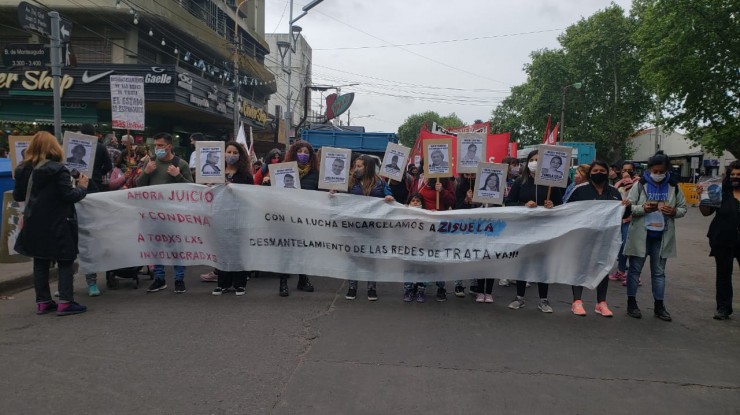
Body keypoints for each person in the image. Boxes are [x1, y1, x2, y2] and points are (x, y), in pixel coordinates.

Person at [13, 132, 89, 316]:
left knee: (40, 260)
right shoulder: (58, 169)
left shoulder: (22, 169)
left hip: (33, 222)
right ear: (54, 147)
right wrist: (82, 188)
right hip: (59, 222)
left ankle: (43, 302)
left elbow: (18, 196)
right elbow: (68, 196)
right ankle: (65, 302)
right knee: (65, 259)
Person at [623, 150, 687, 321]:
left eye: (661, 171)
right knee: (634, 271)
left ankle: (659, 306)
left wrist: (673, 211)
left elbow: (683, 208)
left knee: (659, 273)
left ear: (667, 170)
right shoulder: (640, 185)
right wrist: (643, 209)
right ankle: (631, 303)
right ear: (649, 169)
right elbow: (628, 206)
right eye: (655, 171)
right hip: (641, 235)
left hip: (662, 236)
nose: (658, 174)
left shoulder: (674, 186)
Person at [566, 160, 631, 317]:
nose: (598, 173)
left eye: (602, 170)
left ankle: (601, 303)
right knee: (580, 267)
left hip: (606, 238)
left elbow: (625, 215)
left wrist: (626, 206)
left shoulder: (615, 193)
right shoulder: (580, 191)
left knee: (603, 267)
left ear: (608, 172)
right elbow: (567, 210)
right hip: (583, 236)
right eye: (595, 171)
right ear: (590, 173)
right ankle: (577, 302)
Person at [504, 149, 563, 313]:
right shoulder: (519, 183)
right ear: (527, 162)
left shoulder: (552, 185)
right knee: (523, 262)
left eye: (539, 160)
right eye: (533, 159)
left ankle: (543, 300)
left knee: (542, 264)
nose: (535, 163)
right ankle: (519, 297)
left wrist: (553, 206)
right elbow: (508, 203)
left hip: (545, 230)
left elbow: (561, 206)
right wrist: (523, 206)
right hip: (523, 229)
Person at [136, 132, 194, 294]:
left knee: (176, 245)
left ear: (169, 146)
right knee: (155, 246)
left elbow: (191, 188)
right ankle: (159, 278)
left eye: (161, 145)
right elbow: (138, 186)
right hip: (153, 214)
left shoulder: (180, 164)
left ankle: (179, 279)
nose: (157, 149)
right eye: (156, 145)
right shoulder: (150, 162)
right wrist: (146, 172)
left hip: (174, 214)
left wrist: (178, 176)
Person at [342, 154, 395, 301]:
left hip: (373, 228)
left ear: (368, 167)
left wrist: (389, 198)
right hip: (354, 226)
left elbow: (390, 198)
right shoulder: (350, 183)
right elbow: (341, 200)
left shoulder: (381, 184)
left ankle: (372, 287)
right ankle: (352, 286)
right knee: (354, 256)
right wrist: (334, 194)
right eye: (355, 166)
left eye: (359, 166)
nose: (356, 169)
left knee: (371, 257)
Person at [697, 160, 740, 320]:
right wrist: (702, 196)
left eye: (739, 175)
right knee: (723, 275)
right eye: (733, 174)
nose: (735, 177)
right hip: (722, 239)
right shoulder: (720, 192)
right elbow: (706, 212)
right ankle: (723, 308)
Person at [211, 141, 254, 296]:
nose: (231, 155)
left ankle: (239, 283)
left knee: (238, 250)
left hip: (238, 217)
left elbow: (250, 197)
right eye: (228, 152)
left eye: (235, 152)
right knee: (222, 250)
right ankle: (222, 283)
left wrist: (233, 188)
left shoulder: (246, 176)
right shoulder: (215, 173)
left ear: (240, 156)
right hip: (219, 217)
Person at [277, 141, 320, 296]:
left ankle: (303, 279)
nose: (303, 154)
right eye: (300, 151)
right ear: (294, 153)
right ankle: (283, 282)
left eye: (307, 152)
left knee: (304, 249)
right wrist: (267, 183)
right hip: (286, 217)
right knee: (285, 250)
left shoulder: (316, 174)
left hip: (306, 219)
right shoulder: (282, 171)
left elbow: (320, 195)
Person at [79, 123, 112, 296]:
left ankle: (68, 283)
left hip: (81, 193)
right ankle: (91, 283)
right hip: (94, 191)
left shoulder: (71, 148)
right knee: (89, 237)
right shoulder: (100, 147)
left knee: (79, 239)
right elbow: (108, 167)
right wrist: (97, 173)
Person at [610, 161, 640, 283]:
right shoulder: (618, 183)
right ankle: (621, 271)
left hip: (633, 219)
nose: (626, 172)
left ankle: (635, 276)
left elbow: (634, 198)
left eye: (629, 170)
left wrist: (628, 182)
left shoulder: (638, 183)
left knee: (631, 247)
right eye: (624, 170)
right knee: (621, 247)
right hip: (621, 219)